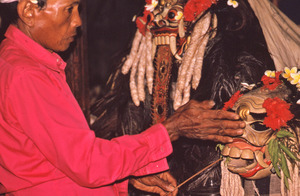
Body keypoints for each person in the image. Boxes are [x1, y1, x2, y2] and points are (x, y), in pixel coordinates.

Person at [0, 0, 246, 195]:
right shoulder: (26, 75)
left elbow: (56, 165)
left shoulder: (16, 61)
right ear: (29, 11)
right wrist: (170, 129)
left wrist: (127, 176)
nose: (77, 21)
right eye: (69, 9)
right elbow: (88, 164)